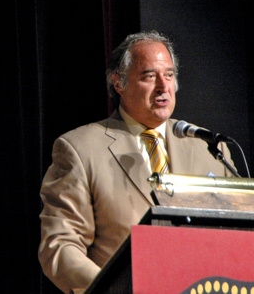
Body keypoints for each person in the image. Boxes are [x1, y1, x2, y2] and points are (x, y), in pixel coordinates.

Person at [38, 31, 236, 294]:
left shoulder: (209, 147)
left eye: (169, 74)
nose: (164, 87)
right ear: (118, 83)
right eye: (149, 76)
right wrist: (114, 289)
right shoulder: (79, 149)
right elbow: (60, 248)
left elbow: (241, 234)